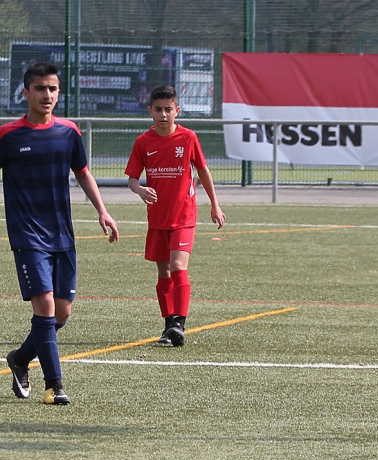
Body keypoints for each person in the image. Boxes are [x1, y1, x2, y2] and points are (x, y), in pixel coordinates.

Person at [1, 62, 119, 405]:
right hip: (27, 235)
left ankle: (20, 359)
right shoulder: (8, 135)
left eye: (52, 88)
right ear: (26, 93)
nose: (47, 94)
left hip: (62, 235)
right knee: (46, 305)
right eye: (40, 88)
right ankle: (55, 386)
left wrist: (103, 211)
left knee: (62, 312)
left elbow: (82, 172)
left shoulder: (69, 131)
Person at [125, 85, 225, 346]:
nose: (163, 114)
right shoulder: (143, 142)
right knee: (164, 273)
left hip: (183, 216)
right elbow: (132, 179)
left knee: (178, 267)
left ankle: (179, 323)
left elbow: (203, 171)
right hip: (158, 218)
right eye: (158, 109)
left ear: (177, 110)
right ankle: (169, 325)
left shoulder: (188, 138)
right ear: (150, 111)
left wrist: (215, 204)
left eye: (168, 109)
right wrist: (140, 190)